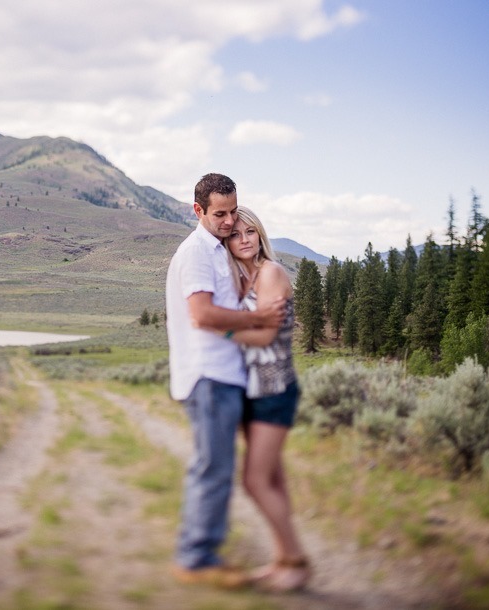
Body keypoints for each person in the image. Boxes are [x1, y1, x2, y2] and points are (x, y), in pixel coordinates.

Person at [165, 173, 286, 588]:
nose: (230, 221)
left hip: (224, 376)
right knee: (213, 467)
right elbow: (202, 315)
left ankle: (203, 553)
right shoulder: (197, 251)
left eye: (234, 211)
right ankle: (197, 558)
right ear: (197, 210)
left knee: (217, 466)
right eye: (220, 213)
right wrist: (256, 318)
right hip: (208, 374)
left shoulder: (216, 249)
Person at [221, 206, 310, 592]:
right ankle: (281, 561)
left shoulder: (271, 273)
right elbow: (252, 327)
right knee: (271, 479)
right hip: (253, 391)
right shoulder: (243, 278)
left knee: (255, 481)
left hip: (275, 390)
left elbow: (265, 338)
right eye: (235, 234)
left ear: (260, 236)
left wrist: (217, 328)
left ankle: (296, 560)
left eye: (250, 232)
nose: (243, 239)